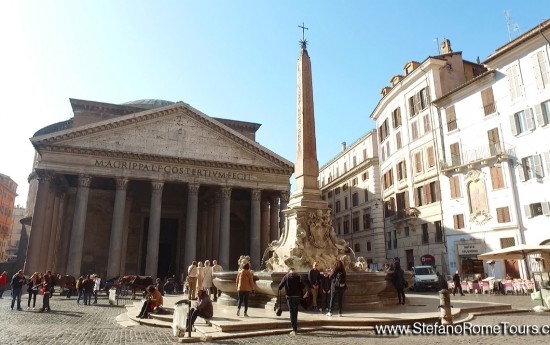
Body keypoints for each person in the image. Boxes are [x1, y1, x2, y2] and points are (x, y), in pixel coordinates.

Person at [278, 267, 302, 336]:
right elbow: (302, 286)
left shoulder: (286, 276)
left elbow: (280, 286)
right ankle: (295, 327)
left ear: (289, 271)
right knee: (295, 312)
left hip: (289, 297)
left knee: (291, 312)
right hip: (297, 297)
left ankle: (294, 329)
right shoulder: (298, 277)